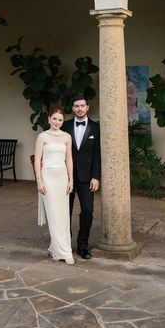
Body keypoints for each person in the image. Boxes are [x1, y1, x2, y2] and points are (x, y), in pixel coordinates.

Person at [34, 106, 74, 265]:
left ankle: (55, 247)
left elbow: (69, 159)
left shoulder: (67, 137)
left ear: (62, 122)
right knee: (53, 215)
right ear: (49, 118)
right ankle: (63, 252)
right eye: (55, 118)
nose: (57, 122)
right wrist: (39, 180)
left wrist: (71, 179)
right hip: (48, 177)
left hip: (62, 177)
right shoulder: (42, 136)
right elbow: (37, 159)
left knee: (63, 215)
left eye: (60, 119)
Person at [62, 95, 100, 260]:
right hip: (65, 178)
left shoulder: (96, 127)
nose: (79, 108)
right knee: (65, 212)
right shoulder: (64, 126)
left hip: (87, 178)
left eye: (82, 106)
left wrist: (96, 177)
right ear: (72, 108)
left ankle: (82, 245)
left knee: (87, 211)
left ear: (87, 107)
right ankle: (64, 245)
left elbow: (98, 154)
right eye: (76, 106)